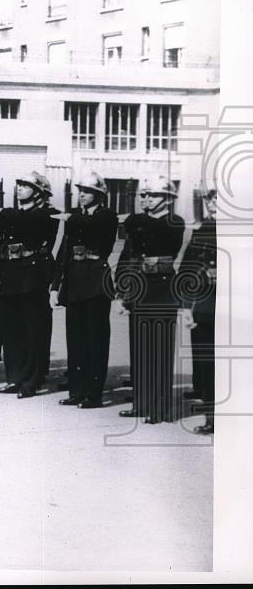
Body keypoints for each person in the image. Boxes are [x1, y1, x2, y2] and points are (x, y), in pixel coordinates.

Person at [0, 171, 60, 398]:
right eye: (18, 185)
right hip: (10, 276)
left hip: (32, 277)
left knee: (32, 331)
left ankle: (31, 379)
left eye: (25, 186)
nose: (19, 189)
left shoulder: (46, 214)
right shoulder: (12, 215)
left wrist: (3, 214)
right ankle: (14, 378)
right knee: (11, 332)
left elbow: (28, 224)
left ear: (39, 193)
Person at [116, 175, 185, 424]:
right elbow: (129, 254)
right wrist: (123, 289)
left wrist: (135, 218)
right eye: (143, 195)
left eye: (151, 195)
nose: (145, 199)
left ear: (167, 198)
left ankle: (161, 408)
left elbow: (149, 229)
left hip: (163, 289)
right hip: (140, 288)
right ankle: (141, 403)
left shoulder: (174, 221)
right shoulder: (141, 222)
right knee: (140, 349)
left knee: (160, 350)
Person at [50, 172, 118, 408]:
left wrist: (68, 218)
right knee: (76, 339)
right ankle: (77, 390)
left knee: (95, 340)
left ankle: (94, 393)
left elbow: (94, 228)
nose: (81, 195)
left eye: (87, 192)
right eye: (80, 191)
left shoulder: (106, 216)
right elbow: (64, 252)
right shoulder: (75, 217)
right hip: (75, 280)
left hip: (96, 281)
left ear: (98, 195)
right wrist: (55, 286)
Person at [182, 186, 217, 435]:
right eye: (211, 200)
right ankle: (211, 416)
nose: (214, 204)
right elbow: (186, 270)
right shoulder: (202, 230)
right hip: (204, 306)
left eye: (219, 200)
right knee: (206, 362)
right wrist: (185, 306)